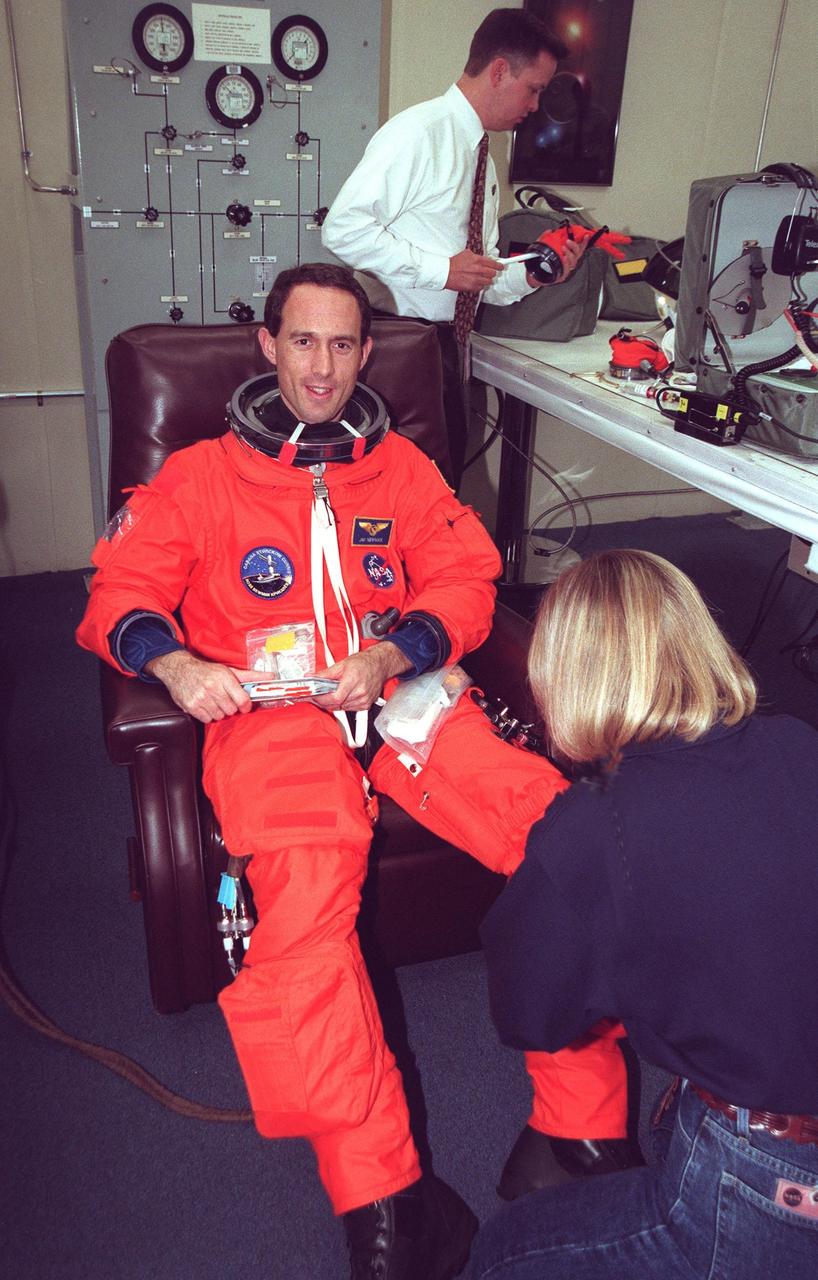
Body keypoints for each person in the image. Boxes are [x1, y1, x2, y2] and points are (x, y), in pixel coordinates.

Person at [76, 262, 626, 1279]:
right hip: (270, 716)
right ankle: (381, 1205)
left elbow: (466, 575)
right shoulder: (199, 476)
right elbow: (118, 590)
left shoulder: (402, 470)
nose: (321, 368)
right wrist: (178, 661)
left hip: (401, 698)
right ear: (267, 345)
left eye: (341, 345)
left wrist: (396, 650)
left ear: (366, 354)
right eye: (302, 342)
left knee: (558, 834)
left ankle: (582, 1123)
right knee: (304, 911)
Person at [469, 548, 818, 1279]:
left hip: (773, 1179)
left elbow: (530, 1017)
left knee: (506, 1250)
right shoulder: (799, 744)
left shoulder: (592, 828)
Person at [321, 8, 583, 481]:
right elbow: (343, 229)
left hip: (447, 347)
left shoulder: (478, 150)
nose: (536, 104)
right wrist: (441, 271)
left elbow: (477, 277)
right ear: (500, 70)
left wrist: (536, 270)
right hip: (398, 347)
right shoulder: (419, 133)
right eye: (535, 89)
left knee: (443, 491)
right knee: (401, 501)